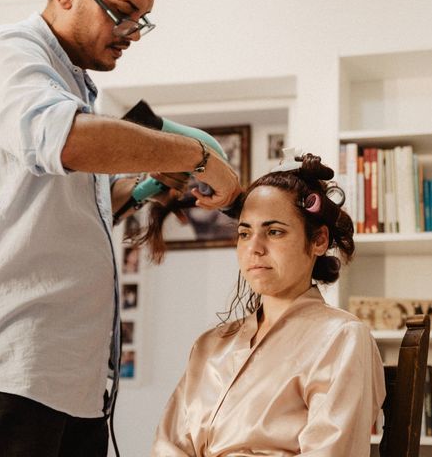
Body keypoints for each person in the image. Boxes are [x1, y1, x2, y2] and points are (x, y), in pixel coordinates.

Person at [0, 0, 240, 456]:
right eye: (123, 12)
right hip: (10, 376)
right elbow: (66, 139)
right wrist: (199, 156)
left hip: (78, 388)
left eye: (141, 19)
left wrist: (145, 186)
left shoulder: (75, 86)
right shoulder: (9, 50)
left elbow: (77, 205)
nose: (134, 32)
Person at [151, 153, 386, 456]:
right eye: (245, 233)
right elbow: (167, 446)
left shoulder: (342, 338)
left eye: (274, 232)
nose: (254, 248)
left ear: (318, 241)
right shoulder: (209, 346)